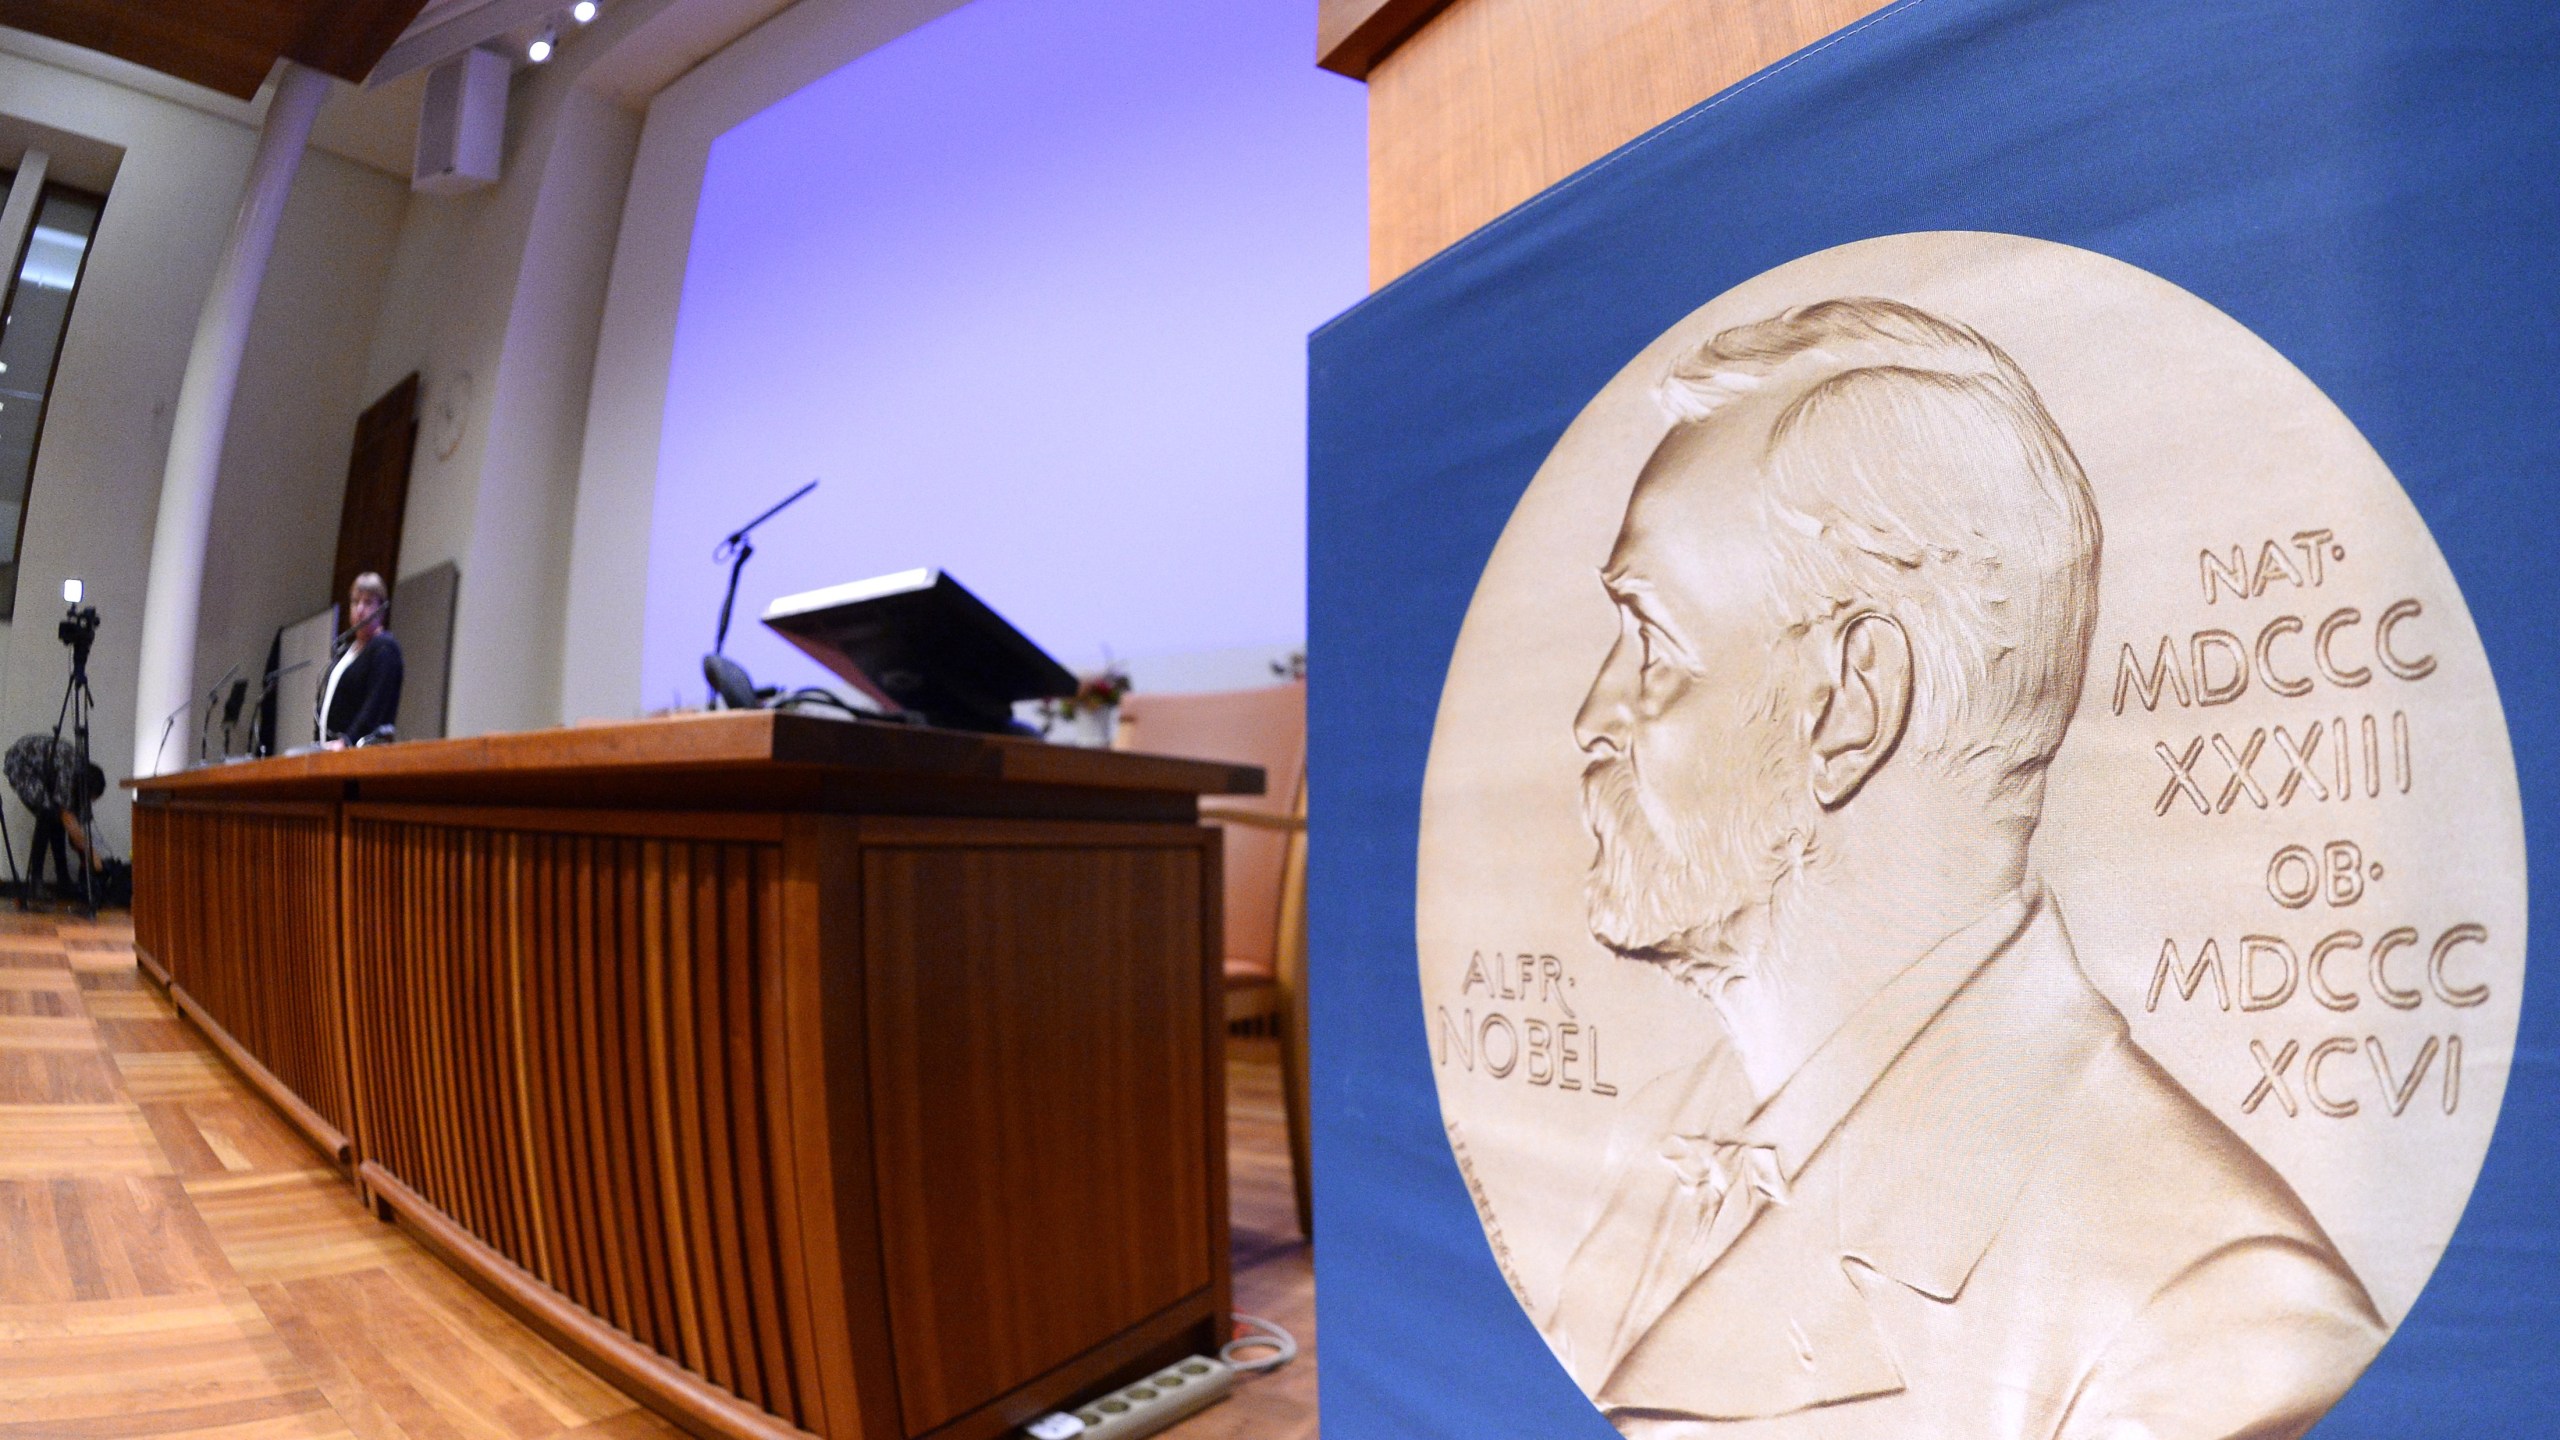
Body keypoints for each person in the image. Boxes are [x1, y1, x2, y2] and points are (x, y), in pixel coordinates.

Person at [1543, 299, 2382, 1439]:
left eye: (1651, 640)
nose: (1596, 715)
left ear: (1849, 703)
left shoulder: (2217, 1329)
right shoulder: (1651, 1142)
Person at [322, 572, 403, 748]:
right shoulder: (346, 651)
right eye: (355, 602)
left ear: (381, 609)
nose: (359, 609)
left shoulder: (384, 648)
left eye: (367, 602)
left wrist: (347, 740)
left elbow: (374, 706)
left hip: (358, 756)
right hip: (331, 752)